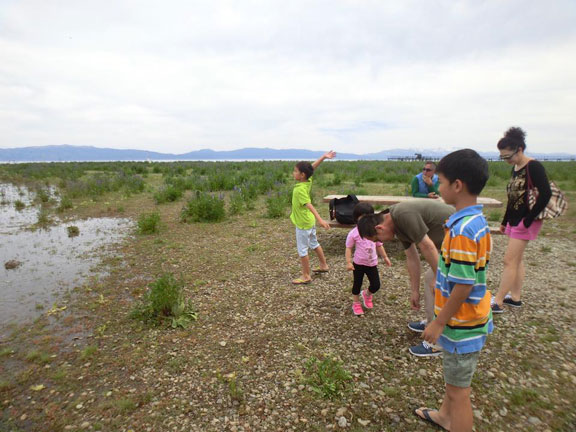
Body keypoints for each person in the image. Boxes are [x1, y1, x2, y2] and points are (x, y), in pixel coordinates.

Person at [415, 148, 492, 432]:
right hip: (469, 320)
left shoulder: (461, 232)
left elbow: (464, 284)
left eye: (442, 181)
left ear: (457, 185)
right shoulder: (475, 221)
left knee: (460, 393)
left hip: (461, 325)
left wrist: (438, 321)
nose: (437, 185)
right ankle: (444, 417)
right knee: (454, 383)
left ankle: (454, 420)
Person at [357, 199, 454, 356]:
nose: (380, 242)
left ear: (379, 228)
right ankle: (431, 324)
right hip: (449, 244)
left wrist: (440, 277)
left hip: (463, 241)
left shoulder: (402, 215)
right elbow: (412, 257)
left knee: (437, 284)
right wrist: (414, 291)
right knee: (430, 280)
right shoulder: (395, 223)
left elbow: (427, 246)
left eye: (377, 239)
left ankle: (440, 342)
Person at [491, 127, 551, 313]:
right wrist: (504, 221)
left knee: (509, 260)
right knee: (516, 260)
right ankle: (515, 297)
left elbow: (546, 193)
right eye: (503, 157)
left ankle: (498, 301)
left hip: (526, 220)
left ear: (520, 149)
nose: (506, 160)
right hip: (515, 219)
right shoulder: (516, 168)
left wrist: (529, 219)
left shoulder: (533, 166)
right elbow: (513, 197)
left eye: (508, 156)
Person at [290, 150, 336, 284]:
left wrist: (320, 220)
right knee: (314, 243)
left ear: (302, 175)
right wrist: (323, 157)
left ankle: (306, 276)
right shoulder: (307, 181)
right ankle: (323, 265)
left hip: (303, 223)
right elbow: (312, 168)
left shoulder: (299, 189)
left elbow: (309, 205)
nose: (293, 173)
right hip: (308, 221)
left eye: (295, 171)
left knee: (302, 250)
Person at [345, 203, 391, 316]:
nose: (365, 220)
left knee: (376, 285)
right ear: (356, 218)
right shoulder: (353, 233)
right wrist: (348, 262)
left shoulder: (375, 231)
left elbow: (379, 245)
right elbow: (348, 248)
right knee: (357, 284)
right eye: (362, 217)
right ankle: (355, 302)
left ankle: (367, 294)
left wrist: (385, 257)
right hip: (358, 264)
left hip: (372, 263)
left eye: (368, 216)